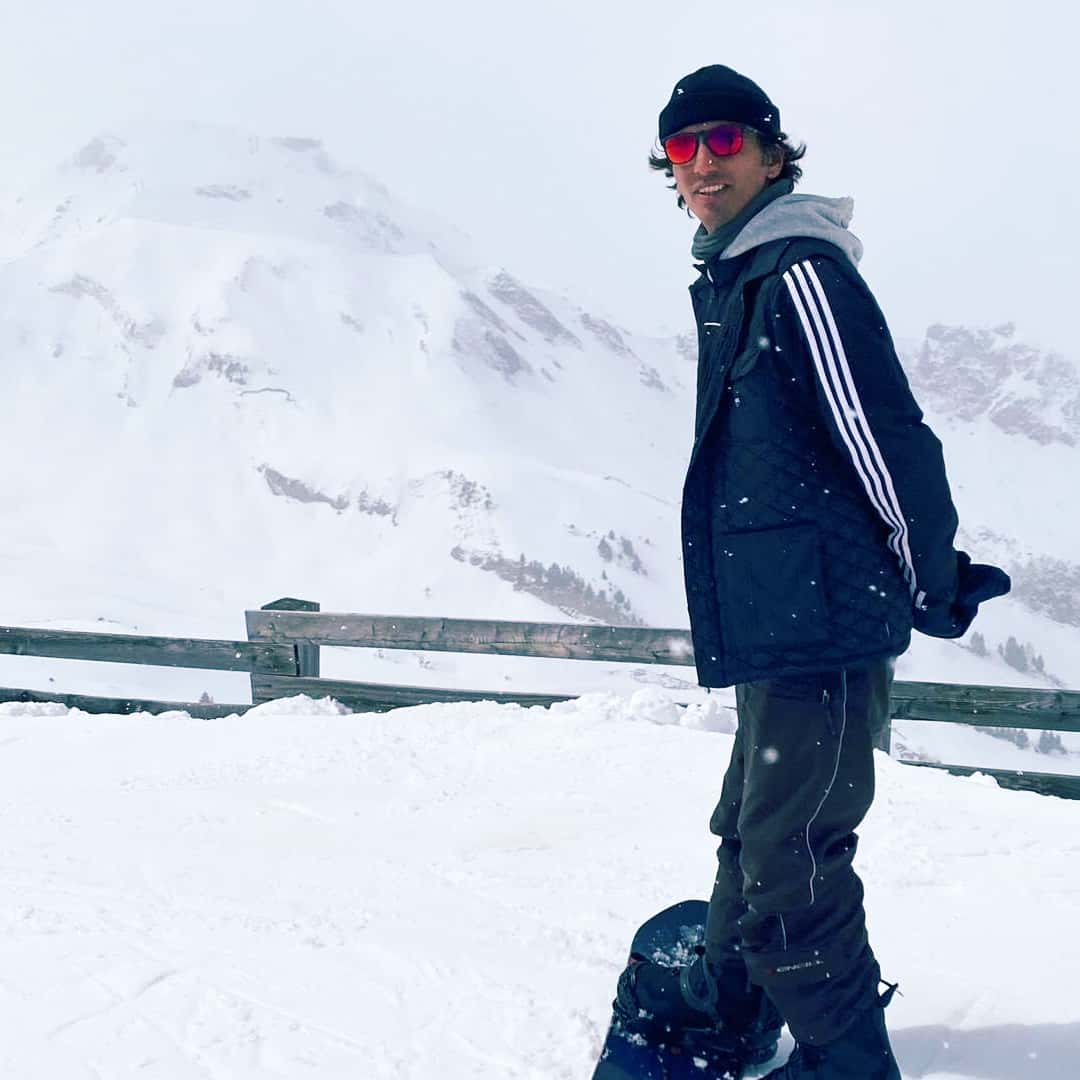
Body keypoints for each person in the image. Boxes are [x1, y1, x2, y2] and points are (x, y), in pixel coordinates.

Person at [617, 65, 1011, 1078]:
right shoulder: (742, 276)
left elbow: (883, 438)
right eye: (682, 148)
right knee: (752, 829)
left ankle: (846, 1063)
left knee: (792, 860)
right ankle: (736, 1007)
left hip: (820, 625)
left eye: (724, 143)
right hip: (779, 622)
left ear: (771, 152)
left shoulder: (796, 272)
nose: (702, 165)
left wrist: (931, 577)